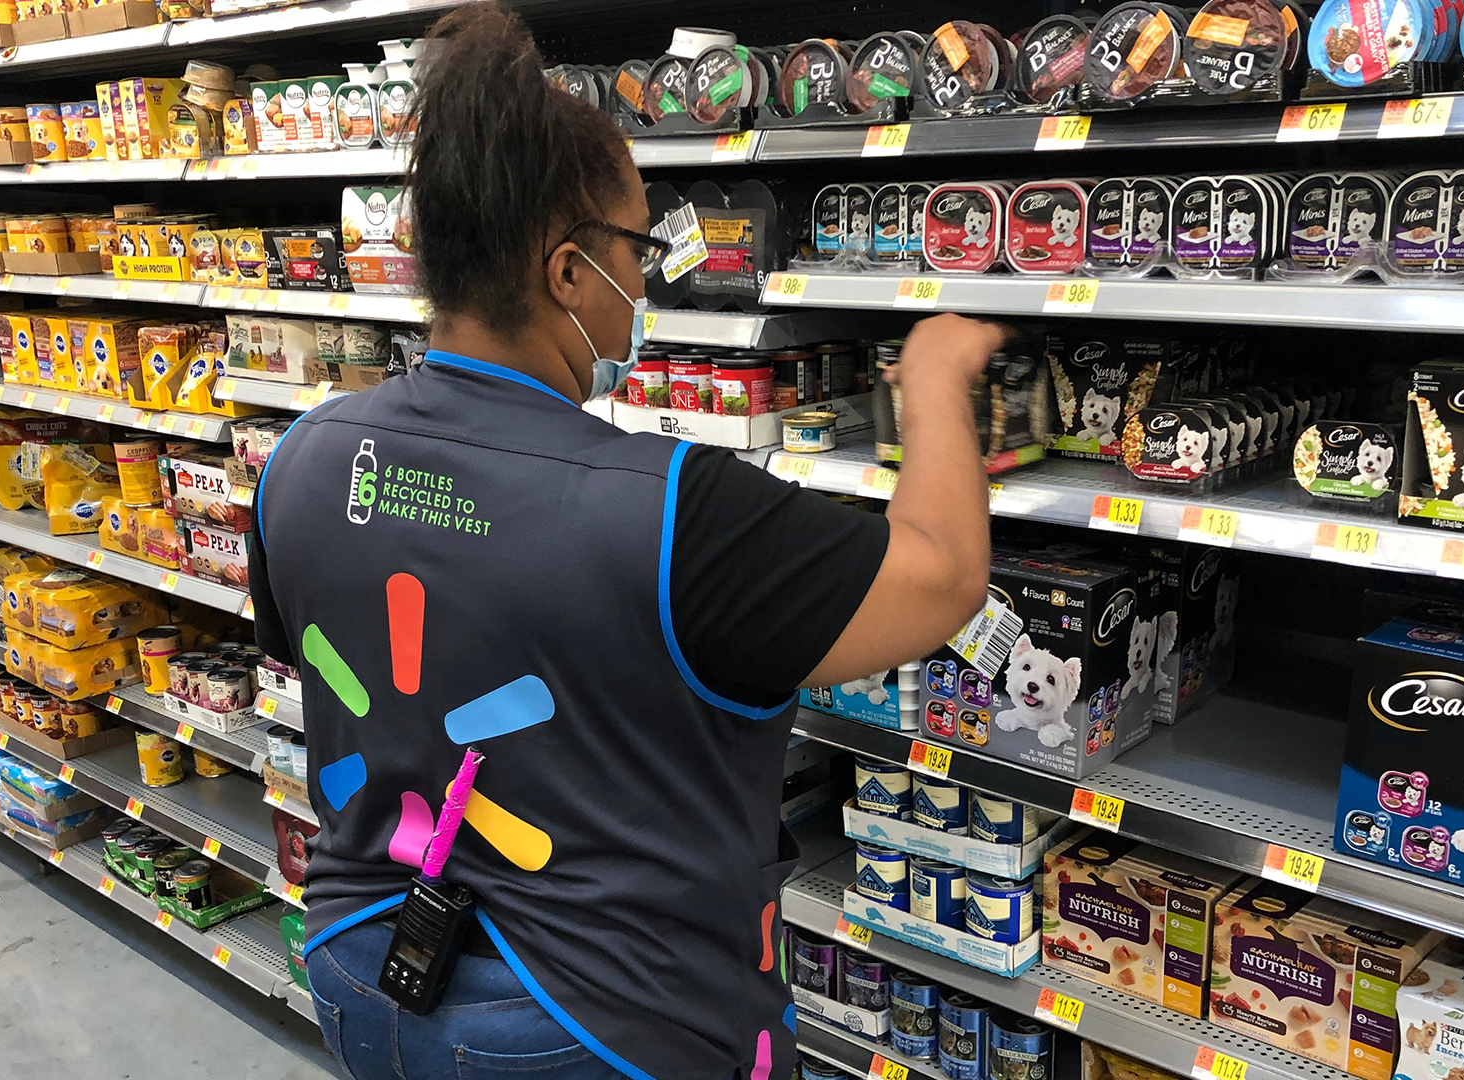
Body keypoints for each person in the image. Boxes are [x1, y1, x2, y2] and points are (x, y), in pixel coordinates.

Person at [247, 5, 1005, 1078]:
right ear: (568, 272)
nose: (645, 283)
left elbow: (344, 658)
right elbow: (942, 574)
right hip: (598, 1028)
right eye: (637, 251)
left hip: (356, 972)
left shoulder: (303, 460)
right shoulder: (671, 509)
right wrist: (932, 381)